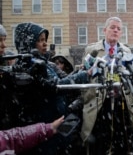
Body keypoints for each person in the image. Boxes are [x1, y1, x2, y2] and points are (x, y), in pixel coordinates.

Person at [13, 22, 89, 155]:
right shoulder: (26, 67)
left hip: (59, 125)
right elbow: (55, 86)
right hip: (43, 130)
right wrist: (85, 75)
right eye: (40, 40)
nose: (45, 44)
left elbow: (64, 79)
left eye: (45, 40)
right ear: (28, 43)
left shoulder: (47, 64)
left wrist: (81, 71)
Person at [80, 16, 133, 155]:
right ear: (104, 30)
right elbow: (83, 75)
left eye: (119, 29)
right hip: (99, 102)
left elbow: (131, 75)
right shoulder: (92, 50)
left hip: (121, 101)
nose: (116, 31)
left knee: (121, 141)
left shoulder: (126, 51)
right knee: (99, 142)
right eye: (112, 27)